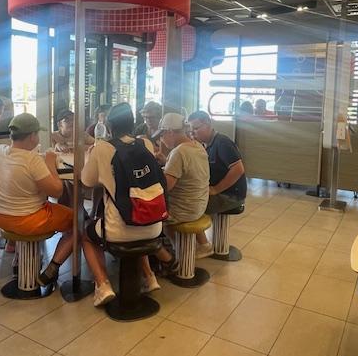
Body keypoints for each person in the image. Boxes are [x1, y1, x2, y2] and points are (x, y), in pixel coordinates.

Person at [0, 112, 115, 307]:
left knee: (65, 213)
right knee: (80, 222)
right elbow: (56, 190)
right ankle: (53, 266)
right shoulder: (32, 160)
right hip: (28, 218)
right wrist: (49, 163)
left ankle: (24, 262)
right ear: (32, 136)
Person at [81, 102, 178, 292]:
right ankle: (150, 277)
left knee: (86, 235)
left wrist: (91, 156)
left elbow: (87, 181)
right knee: (136, 226)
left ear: (109, 126)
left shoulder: (102, 148)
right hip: (153, 224)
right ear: (133, 123)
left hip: (119, 228)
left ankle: (102, 285)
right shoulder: (145, 143)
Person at [188, 110, 247, 257]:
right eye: (191, 129)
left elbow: (238, 169)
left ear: (208, 124)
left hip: (231, 195)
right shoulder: (205, 145)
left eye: (196, 128)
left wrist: (215, 189)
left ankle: (203, 245)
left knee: (189, 206)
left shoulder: (222, 143)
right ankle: (196, 242)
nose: (193, 133)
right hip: (223, 192)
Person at [153, 113, 210, 231]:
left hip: (181, 211)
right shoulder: (198, 146)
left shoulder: (178, 152)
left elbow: (165, 187)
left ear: (170, 132)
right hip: (199, 206)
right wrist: (166, 162)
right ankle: (201, 242)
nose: (160, 140)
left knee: (150, 215)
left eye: (162, 135)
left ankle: (171, 242)